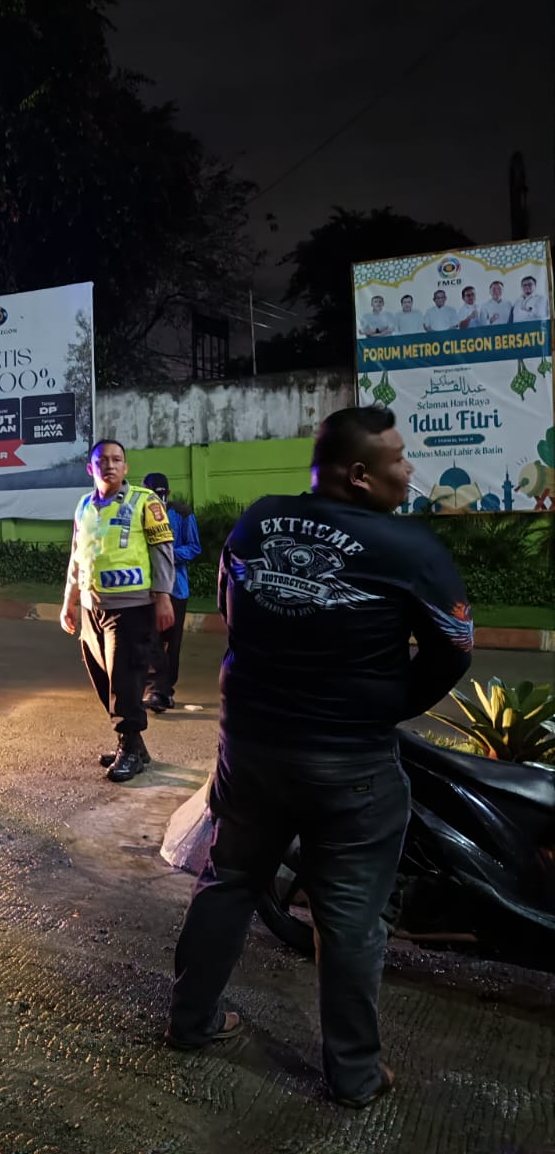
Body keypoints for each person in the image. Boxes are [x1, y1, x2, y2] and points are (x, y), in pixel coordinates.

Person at [166, 405, 473, 1109]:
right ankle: (354, 1075)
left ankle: (190, 1020)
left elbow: (233, 610)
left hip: (250, 751)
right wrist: (386, 703)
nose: (409, 470)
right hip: (351, 767)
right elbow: (454, 650)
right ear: (360, 474)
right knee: (351, 920)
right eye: (399, 459)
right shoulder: (409, 548)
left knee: (228, 881)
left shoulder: (256, 522)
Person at [60, 440, 176, 782]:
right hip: (91, 606)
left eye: (116, 460)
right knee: (103, 678)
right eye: (102, 461)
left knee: (125, 679)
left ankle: (130, 750)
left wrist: (163, 596)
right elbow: (77, 556)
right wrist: (69, 600)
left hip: (131, 607)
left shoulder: (145, 501)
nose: (109, 465)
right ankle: (134, 744)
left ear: (126, 467)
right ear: (91, 468)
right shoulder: (84, 506)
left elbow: (162, 549)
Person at [140, 473, 200, 714]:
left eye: (161, 493)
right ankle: (155, 690)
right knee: (150, 640)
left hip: (176, 588)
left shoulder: (182, 513)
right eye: (152, 493)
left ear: (169, 493)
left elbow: (194, 547)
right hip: (147, 588)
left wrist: (167, 555)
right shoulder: (138, 512)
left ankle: (165, 690)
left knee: (171, 643)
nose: (158, 498)